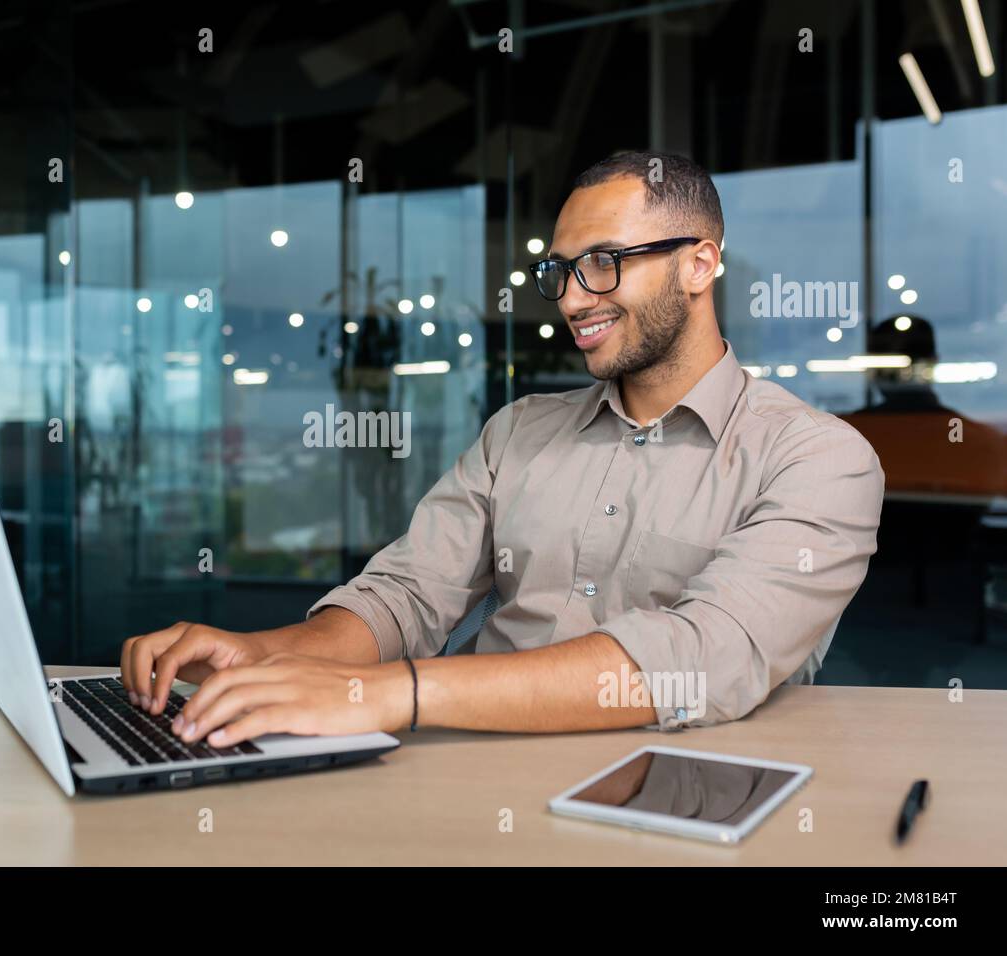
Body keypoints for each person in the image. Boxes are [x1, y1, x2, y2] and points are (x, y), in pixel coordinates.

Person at [119, 150, 885, 749]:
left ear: (698, 263)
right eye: (561, 271)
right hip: (467, 770)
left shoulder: (821, 460)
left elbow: (701, 655)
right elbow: (408, 596)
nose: (574, 299)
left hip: (680, 797)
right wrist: (267, 656)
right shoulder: (520, 432)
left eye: (604, 263)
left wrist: (392, 694)